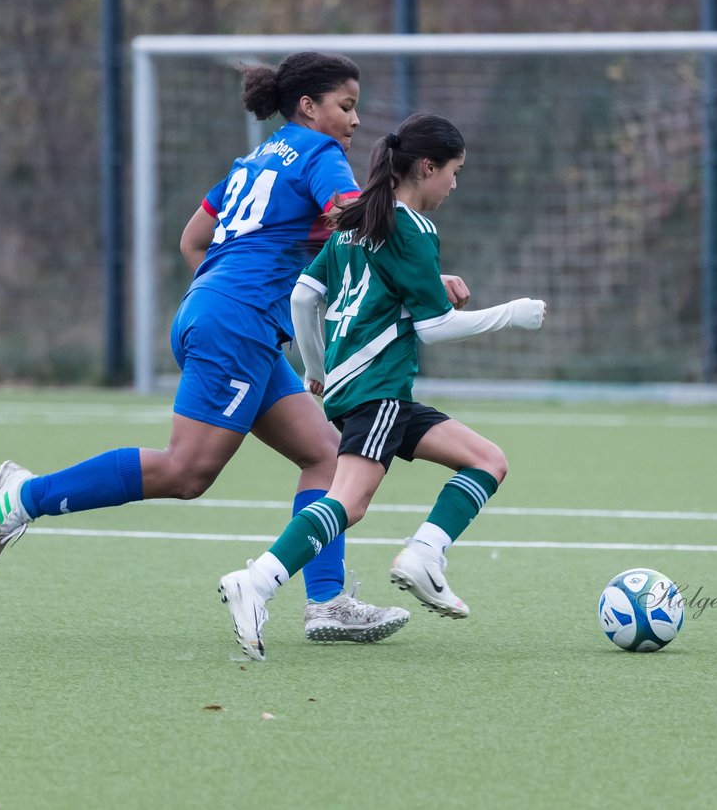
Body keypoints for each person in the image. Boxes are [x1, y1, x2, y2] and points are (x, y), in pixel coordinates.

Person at [0, 52, 468, 645]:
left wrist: (236, 292)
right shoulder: (320, 154)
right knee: (186, 471)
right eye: (345, 106)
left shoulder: (253, 160)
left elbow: (193, 240)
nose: (355, 120)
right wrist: (422, 277)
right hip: (235, 325)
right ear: (308, 107)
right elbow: (352, 220)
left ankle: (328, 602)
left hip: (220, 315)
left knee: (326, 454)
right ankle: (24, 498)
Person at [218, 112, 547, 661]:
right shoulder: (411, 228)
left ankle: (425, 554)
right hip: (378, 391)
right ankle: (256, 581)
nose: (454, 184)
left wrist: (316, 370)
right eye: (453, 171)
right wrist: (511, 314)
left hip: (364, 390)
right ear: (426, 166)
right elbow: (435, 326)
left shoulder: (357, 222)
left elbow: (304, 295)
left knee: (486, 459)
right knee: (349, 501)